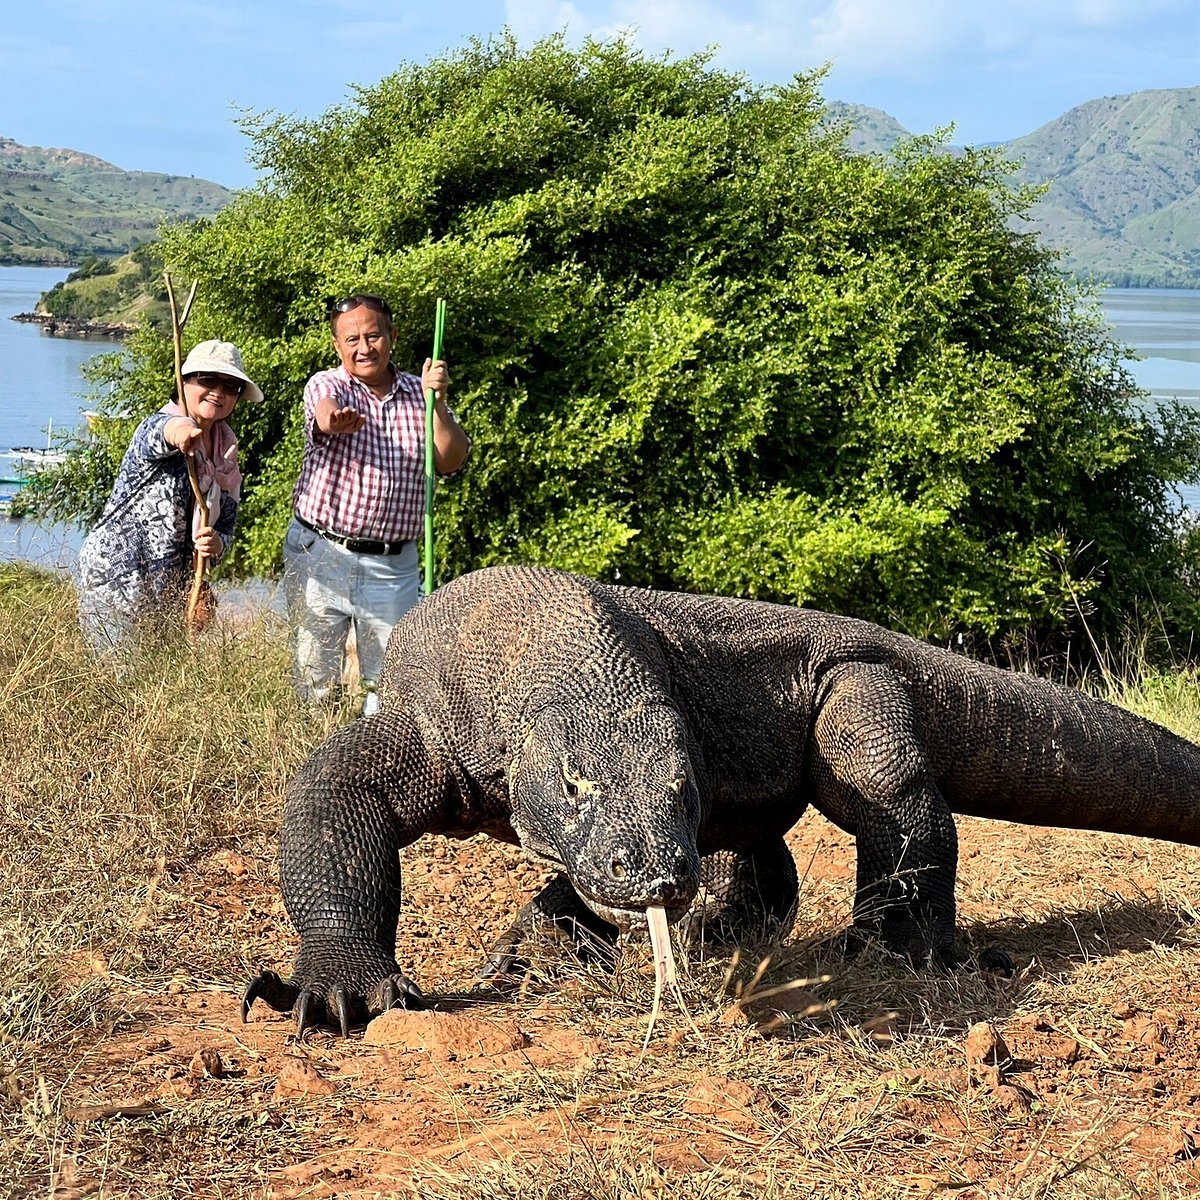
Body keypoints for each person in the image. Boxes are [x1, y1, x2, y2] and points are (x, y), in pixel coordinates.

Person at [283, 293, 470, 714]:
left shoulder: (420, 395)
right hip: (321, 553)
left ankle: (376, 769)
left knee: (391, 688)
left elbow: (451, 459)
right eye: (351, 340)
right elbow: (324, 412)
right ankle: (309, 761)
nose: (363, 348)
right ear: (337, 345)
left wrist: (437, 403)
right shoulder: (328, 384)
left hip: (393, 565)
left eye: (373, 336)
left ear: (392, 336)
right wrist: (335, 420)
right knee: (311, 679)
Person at [77, 339, 263, 654]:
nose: (218, 390)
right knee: (119, 683)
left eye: (231, 386)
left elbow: (227, 528)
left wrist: (216, 544)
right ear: (184, 382)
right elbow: (160, 432)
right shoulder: (160, 423)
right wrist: (181, 433)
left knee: (154, 685)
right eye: (207, 380)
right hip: (118, 581)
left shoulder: (225, 455)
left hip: (168, 594)